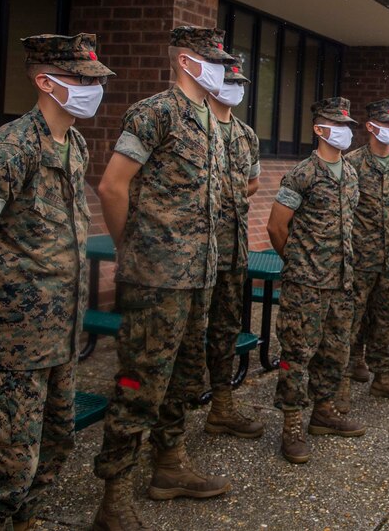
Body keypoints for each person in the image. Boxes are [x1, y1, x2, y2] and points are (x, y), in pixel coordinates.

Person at [0, 34, 113, 531]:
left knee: (55, 443)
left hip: (59, 336)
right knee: (1, 464)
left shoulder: (74, 143)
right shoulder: (10, 146)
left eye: (95, 80)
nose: (92, 89)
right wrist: (17, 280)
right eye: (83, 80)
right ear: (46, 81)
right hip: (11, 339)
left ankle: (25, 521)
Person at [92, 26, 234, 529]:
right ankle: (114, 494)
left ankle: (169, 466)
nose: (221, 68)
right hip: (156, 277)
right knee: (140, 384)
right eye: (212, 59)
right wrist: (129, 248)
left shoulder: (211, 123)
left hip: (198, 275)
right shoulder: (155, 112)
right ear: (187, 63)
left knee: (184, 377)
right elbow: (113, 186)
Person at [267, 97, 366, 464]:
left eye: (347, 124)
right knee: (296, 354)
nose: (344, 130)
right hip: (306, 283)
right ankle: (292, 424)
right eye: (336, 124)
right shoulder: (302, 173)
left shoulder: (351, 174)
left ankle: (323, 411)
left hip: (341, 281)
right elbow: (277, 226)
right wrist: (297, 262)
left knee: (334, 350)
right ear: (319, 128)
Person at [338, 99, 389, 411]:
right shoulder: (352, 163)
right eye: (387, 124)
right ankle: (342, 381)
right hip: (360, 256)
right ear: (370, 126)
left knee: (387, 319)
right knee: (350, 320)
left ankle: (382, 377)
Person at [202, 59, 263, 439]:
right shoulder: (194, 126)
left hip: (232, 251)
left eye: (240, 81)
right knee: (188, 333)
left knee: (225, 328)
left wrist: (230, 195)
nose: (236, 87)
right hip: (191, 253)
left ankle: (221, 405)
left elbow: (254, 182)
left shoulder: (245, 134)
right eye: (229, 81)